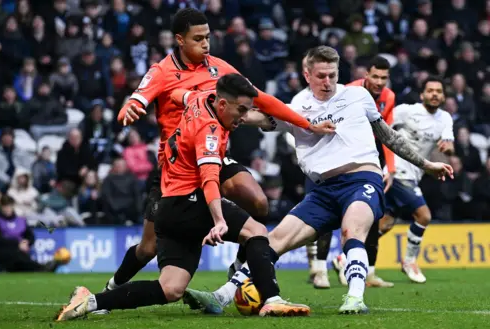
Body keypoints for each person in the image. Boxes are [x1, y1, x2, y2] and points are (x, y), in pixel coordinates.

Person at [183, 46, 453, 315]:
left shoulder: (358, 96)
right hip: (323, 191)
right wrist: (218, 104)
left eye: (332, 75)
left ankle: (355, 297)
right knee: (273, 239)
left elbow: (388, 136)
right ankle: (222, 296)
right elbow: (252, 115)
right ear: (307, 74)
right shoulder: (296, 108)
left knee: (352, 230)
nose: (328, 82)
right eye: (321, 76)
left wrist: (426, 164)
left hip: (362, 179)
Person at [101, 8, 335, 301]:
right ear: (179, 40)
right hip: (176, 169)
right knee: (146, 248)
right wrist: (129, 108)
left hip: (213, 155)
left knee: (258, 201)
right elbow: (138, 97)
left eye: (208, 37)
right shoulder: (162, 71)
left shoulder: (220, 69)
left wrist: (307, 124)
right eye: (198, 38)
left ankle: (239, 267)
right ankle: (110, 289)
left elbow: (263, 99)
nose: (206, 44)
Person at [54, 74, 311, 321]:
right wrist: (219, 220)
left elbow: (178, 94)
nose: (244, 117)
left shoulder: (201, 98)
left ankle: (90, 301)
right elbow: (210, 179)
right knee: (256, 231)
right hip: (189, 202)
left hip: (169, 208)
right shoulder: (209, 132)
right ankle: (272, 298)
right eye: (241, 110)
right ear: (222, 104)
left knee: (170, 289)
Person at [311, 55, 398, 288]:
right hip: (338, 156)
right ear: (365, 75)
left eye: (384, 78)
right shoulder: (348, 92)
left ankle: (367, 271)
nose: (379, 82)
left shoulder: (389, 97)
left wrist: (389, 168)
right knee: (328, 215)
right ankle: (319, 269)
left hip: (369, 159)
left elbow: (386, 134)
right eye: (375, 76)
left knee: (372, 214)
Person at [374, 76, 454, 283]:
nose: (434, 94)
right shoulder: (406, 111)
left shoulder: (445, 118)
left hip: (414, 175)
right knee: (424, 216)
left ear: (443, 96)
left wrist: (448, 148)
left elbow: (449, 143)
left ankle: (344, 259)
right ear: (422, 95)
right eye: (430, 90)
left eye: (438, 91)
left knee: (385, 224)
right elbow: (381, 128)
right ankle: (409, 261)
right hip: (397, 172)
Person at [0, 195, 66, 273]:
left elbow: (30, 236)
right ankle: (42, 267)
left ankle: (41, 268)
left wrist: (25, 243)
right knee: (16, 255)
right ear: (1, 207)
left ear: (12, 206)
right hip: (3, 252)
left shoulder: (21, 220)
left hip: (20, 252)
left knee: (21, 259)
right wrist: (17, 244)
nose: (7, 209)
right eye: (5, 206)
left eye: (9, 206)